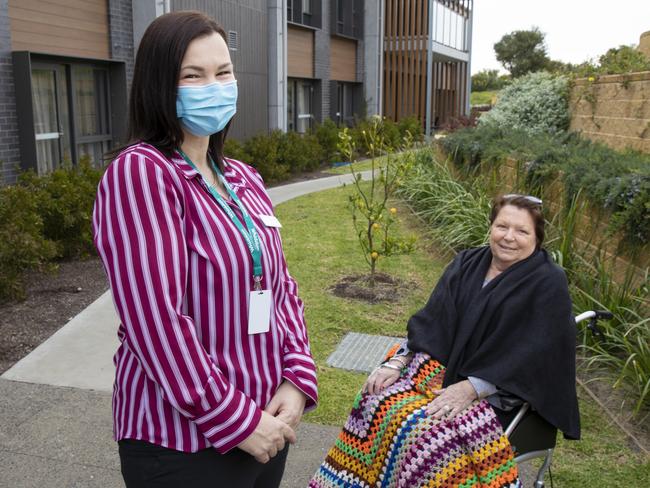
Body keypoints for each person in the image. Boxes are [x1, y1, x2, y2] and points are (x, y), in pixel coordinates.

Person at [93, 11, 317, 487]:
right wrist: (235, 419)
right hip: (184, 442)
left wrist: (296, 379)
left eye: (223, 72)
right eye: (192, 75)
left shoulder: (242, 177)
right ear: (160, 85)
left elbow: (281, 288)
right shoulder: (143, 174)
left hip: (267, 423)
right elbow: (156, 322)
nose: (213, 86)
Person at [310, 194, 580, 488]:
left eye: (522, 231)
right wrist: (398, 361)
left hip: (502, 395)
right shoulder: (467, 262)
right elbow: (432, 322)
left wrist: (473, 387)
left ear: (537, 238)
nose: (509, 237)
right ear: (491, 226)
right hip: (443, 373)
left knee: (424, 439)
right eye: (502, 226)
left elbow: (534, 355)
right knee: (375, 400)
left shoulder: (547, 282)